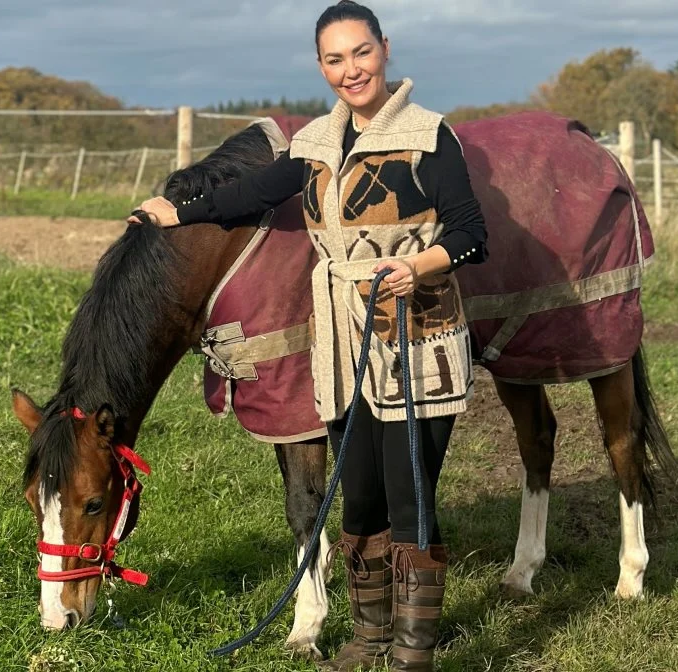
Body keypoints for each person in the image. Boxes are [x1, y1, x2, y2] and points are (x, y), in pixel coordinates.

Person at [131, 1, 487, 669]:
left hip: (418, 339)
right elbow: (252, 195)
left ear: (385, 49)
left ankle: (413, 653)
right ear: (320, 67)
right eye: (334, 59)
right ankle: (369, 635)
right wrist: (175, 211)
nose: (350, 70)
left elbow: (471, 236)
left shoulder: (429, 136)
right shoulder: (317, 143)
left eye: (360, 53)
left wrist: (417, 265)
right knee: (358, 496)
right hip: (342, 343)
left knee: (410, 498)